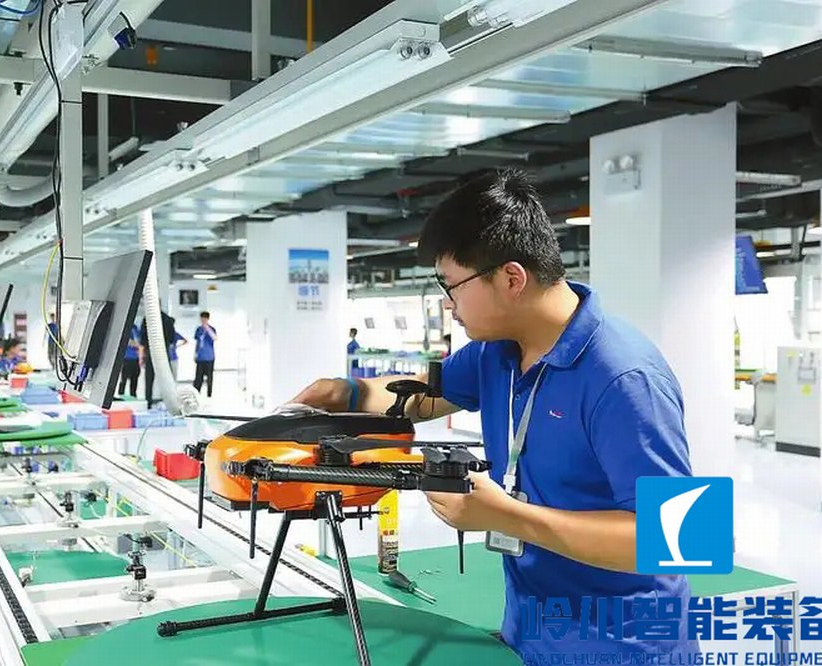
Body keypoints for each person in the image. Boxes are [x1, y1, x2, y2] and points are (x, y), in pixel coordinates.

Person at [291, 169, 698, 663]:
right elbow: (417, 397)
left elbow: (684, 539)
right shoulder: (497, 352)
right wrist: (345, 393)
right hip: (530, 637)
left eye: (453, 286)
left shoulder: (624, 377)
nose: (449, 305)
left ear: (511, 279)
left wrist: (507, 516)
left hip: (625, 649)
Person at [140, 310, 187, 409]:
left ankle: (148, 401)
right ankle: (170, 401)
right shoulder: (168, 320)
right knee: (167, 378)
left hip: (151, 351)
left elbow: (143, 338)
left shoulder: (147, 319)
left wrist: (143, 356)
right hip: (164, 352)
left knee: (149, 378)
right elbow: (172, 338)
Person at [193, 311, 217, 397]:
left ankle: (209, 394)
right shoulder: (199, 329)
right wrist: (195, 353)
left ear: (208, 319)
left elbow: (215, 338)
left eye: (205, 319)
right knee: (198, 377)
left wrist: (207, 328)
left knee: (209, 377)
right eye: (202, 318)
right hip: (200, 357)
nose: (203, 320)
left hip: (209, 357)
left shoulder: (212, 329)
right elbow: (197, 342)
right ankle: (196, 394)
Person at [117, 323, 141, 399]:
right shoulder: (126, 327)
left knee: (134, 379)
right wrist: (138, 345)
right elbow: (127, 341)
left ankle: (133, 396)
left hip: (136, 358)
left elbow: (139, 341)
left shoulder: (135, 328)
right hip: (127, 357)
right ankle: (120, 395)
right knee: (124, 378)